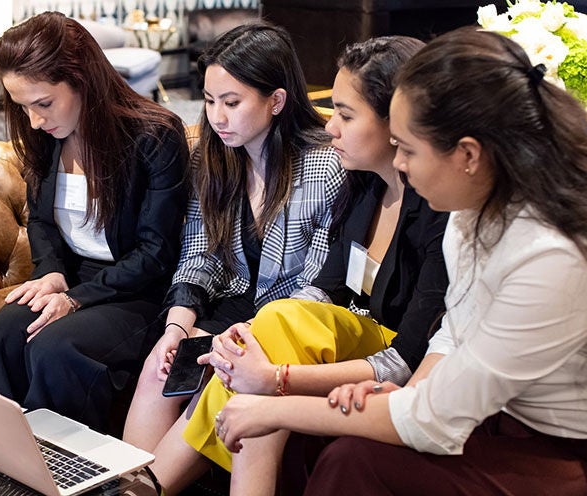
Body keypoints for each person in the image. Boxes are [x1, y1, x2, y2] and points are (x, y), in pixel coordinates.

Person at [212, 27, 587, 495]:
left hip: (558, 449)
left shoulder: (548, 255)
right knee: (312, 442)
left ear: (468, 155)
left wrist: (274, 400)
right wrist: (408, 390)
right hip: (480, 412)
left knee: (352, 460)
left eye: (410, 149)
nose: (402, 165)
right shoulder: (469, 213)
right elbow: (453, 333)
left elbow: (437, 421)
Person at [141, 36, 450, 495]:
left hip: (409, 363)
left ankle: (146, 486)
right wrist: (253, 335)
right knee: (255, 335)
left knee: (271, 342)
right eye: (209, 101)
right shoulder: (363, 186)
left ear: (397, 121)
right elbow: (323, 289)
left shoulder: (438, 210)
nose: (332, 128)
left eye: (346, 115)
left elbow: (408, 359)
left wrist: (275, 375)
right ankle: (139, 483)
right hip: (349, 337)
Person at [123, 22, 345, 459]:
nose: (216, 117)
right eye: (208, 100)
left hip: (281, 325)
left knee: (214, 376)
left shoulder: (324, 168)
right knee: (159, 366)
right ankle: (127, 486)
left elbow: (318, 290)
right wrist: (177, 326)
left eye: (231, 102)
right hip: (228, 304)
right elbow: (198, 255)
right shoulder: (214, 157)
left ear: (276, 101)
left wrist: (238, 341)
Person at [0, 12, 188, 431]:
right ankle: (7, 455)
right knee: (1, 332)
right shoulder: (43, 133)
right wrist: (52, 273)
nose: (34, 119)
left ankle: (64, 469)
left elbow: (155, 253)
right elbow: (40, 221)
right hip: (74, 275)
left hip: (140, 292)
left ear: (82, 80)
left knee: (55, 347)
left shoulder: (156, 136)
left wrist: (77, 298)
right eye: (23, 106)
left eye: (43, 103)